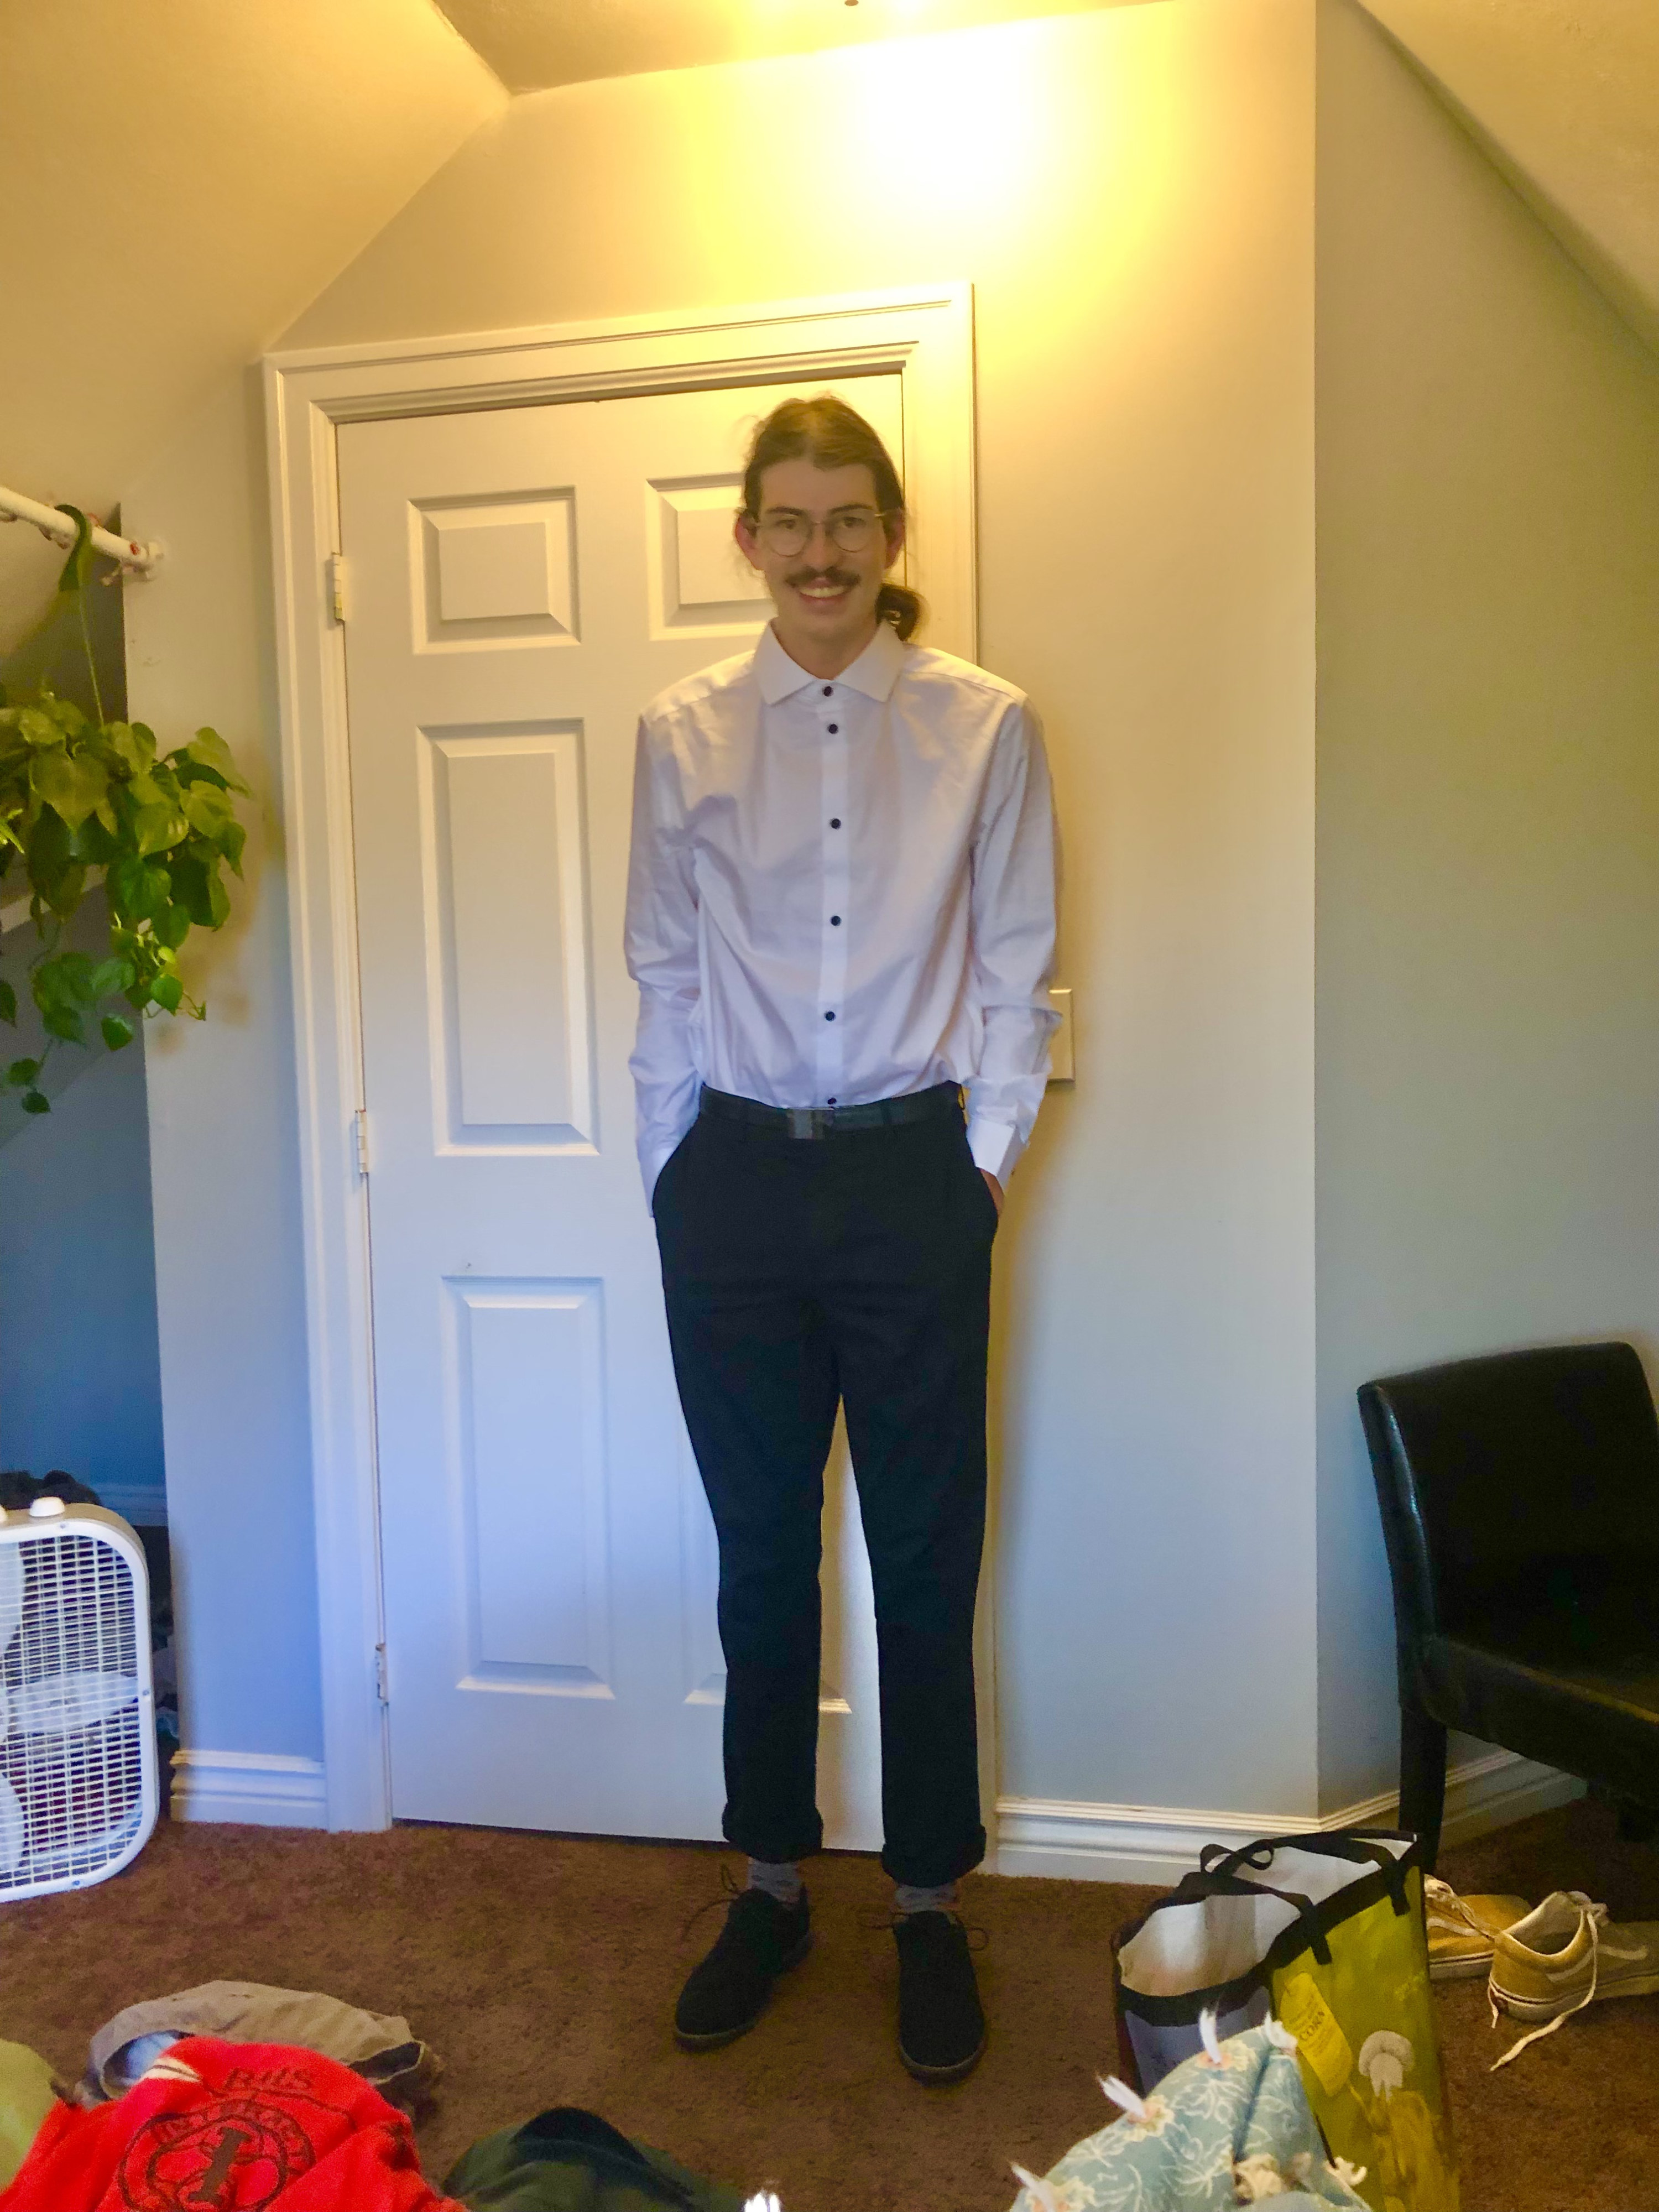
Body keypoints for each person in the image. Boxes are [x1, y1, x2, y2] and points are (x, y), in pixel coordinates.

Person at [624, 393, 1058, 2083]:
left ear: (890, 535)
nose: (821, 554)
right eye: (790, 523)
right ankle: (770, 1886)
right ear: (749, 538)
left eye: (849, 520)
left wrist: (982, 1164)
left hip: (909, 1181)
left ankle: (929, 1902)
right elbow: (665, 966)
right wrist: (671, 1162)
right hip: (730, 1183)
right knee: (759, 1553)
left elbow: (1018, 968)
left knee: (927, 1554)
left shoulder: (985, 726)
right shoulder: (680, 730)